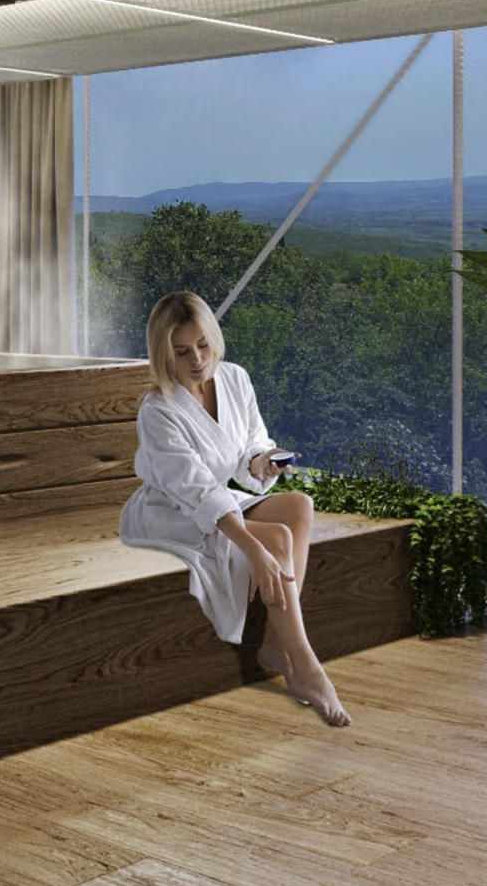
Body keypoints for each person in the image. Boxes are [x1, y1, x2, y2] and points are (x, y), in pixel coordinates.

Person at [119, 290, 350, 727]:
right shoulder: (158, 410)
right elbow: (198, 488)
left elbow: (250, 444)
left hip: (218, 498)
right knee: (276, 538)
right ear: (163, 352)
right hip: (170, 510)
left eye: (203, 345)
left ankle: (274, 646)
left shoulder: (235, 378)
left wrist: (264, 460)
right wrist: (254, 549)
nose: (197, 360)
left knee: (298, 506)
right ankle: (303, 664)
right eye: (182, 351)